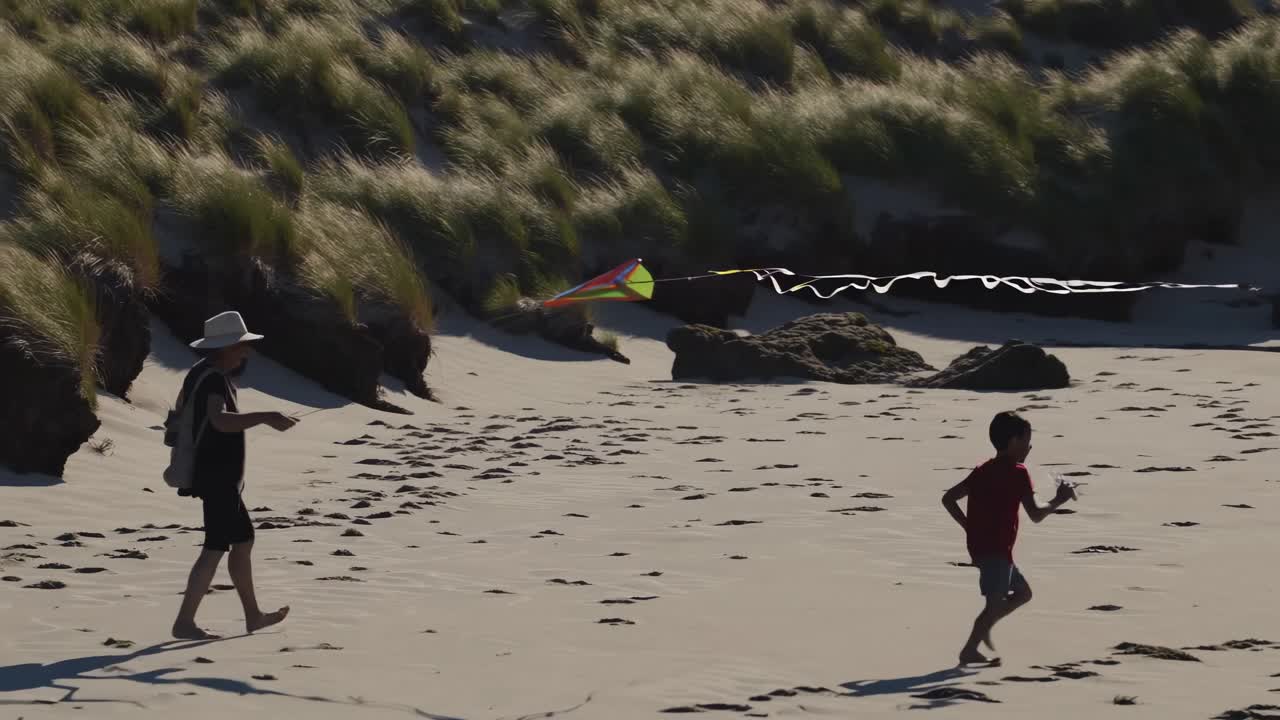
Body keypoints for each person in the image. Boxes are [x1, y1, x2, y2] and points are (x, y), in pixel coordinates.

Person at [171, 311, 299, 640]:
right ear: (225, 347)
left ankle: (253, 616)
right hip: (216, 477)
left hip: (217, 476)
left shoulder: (207, 373)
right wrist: (265, 416)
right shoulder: (213, 377)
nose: (247, 352)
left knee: (242, 541)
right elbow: (219, 421)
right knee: (215, 547)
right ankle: (184, 623)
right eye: (242, 346)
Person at [941, 411, 1075, 665]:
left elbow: (948, 499)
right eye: (1027, 440)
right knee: (994, 604)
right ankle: (970, 649)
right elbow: (1035, 514)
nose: (1030, 446)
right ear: (1014, 441)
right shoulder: (1017, 472)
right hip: (995, 550)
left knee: (1023, 593)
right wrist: (1059, 499)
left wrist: (968, 526)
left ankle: (984, 629)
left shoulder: (982, 470)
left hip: (989, 548)